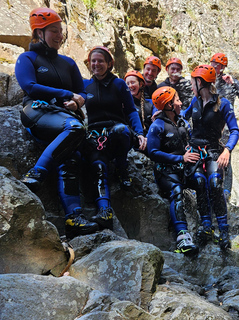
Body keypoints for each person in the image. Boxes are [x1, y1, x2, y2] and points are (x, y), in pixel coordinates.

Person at [16, 7, 98, 238]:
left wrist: (78, 100)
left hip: (63, 116)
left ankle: (74, 218)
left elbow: (83, 92)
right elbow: (29, 86)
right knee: (74, 128)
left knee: (70, 157)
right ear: (39, 33)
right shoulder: (27, 58)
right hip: (36, 111)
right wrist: (66, 94)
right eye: (53, 31)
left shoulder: (68, 63)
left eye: (61, 31)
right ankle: (37, 173)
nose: (59, 35)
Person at [83, 46, 147, 230]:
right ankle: (105, 211)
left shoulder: (119, 84)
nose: (96, 64)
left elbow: (131, 111)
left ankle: (121, 166)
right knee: (98, 166)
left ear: (109, 63)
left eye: (100, 61)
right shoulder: (86, 86)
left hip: (116, 130)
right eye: (93, 61)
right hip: (95, 134)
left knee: (121, 131)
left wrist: (140, 133)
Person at [181, 64, 239, 250]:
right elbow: (182, 116)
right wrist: (164, 113)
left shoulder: (222, 104)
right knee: (199, 182)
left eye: (192, 82)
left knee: (214, 183)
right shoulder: (195, 101)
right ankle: (206, 226)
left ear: (200, 82)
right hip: (195, 151)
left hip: (214, 151)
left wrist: (227, 150)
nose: (191, 86)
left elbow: (235, 131)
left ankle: (223, 231)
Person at [147, 86, 200, 255]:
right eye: (177, 100)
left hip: (182, 170)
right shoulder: (157, 125)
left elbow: (188, 143)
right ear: (168, 105)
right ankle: (182, 236)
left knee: (201, 180)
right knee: (176, 190)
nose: (181, 103)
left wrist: (191, 153)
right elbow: (153, 153)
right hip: (165, 172)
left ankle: (207, 225)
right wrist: (181, 158)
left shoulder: (181, 122)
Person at [210, 53, 239, 201]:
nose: (215, 67)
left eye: (218, 65)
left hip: (227, 127)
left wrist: (234, 84)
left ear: (223, 68)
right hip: (211, 125)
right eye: (213, 63)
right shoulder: (208, 80)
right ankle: (213, 187)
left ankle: (226, 192)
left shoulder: (229, 81)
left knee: (226, 159)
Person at [124, 70, 154, 134]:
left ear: (140, 84)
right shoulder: (124, 105)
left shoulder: (150, 103)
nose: (130, 86)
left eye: (133, 82)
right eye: (127, 84)